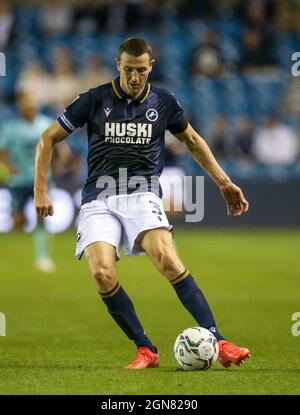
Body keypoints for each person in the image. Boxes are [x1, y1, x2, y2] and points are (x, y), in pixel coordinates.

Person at [34, 38, 251, 369]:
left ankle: (219, 341)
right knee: (103, 273)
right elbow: (48, 137)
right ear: (117, 65)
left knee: (167, 259)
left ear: (151, 66)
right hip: (98, 197)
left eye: (140, 70)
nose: (134, 77)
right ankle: (146, 349)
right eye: (128, 69)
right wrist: (41, 189)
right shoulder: (94, 99)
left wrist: (224, 182)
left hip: (142, 193)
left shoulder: (163, 102)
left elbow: (192, 140)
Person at [0, 91, 55, 272]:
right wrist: (9, 167)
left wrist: (60, 159)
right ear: (20, 105)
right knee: (18, 220)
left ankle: (43, 257)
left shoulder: (45, 123)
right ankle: (16, 260)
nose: (28, 106)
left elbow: (57, 145)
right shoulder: (11, 127)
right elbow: (3, 150)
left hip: (41, 181)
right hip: (19, 180)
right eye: (25, 102)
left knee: (41, 218)